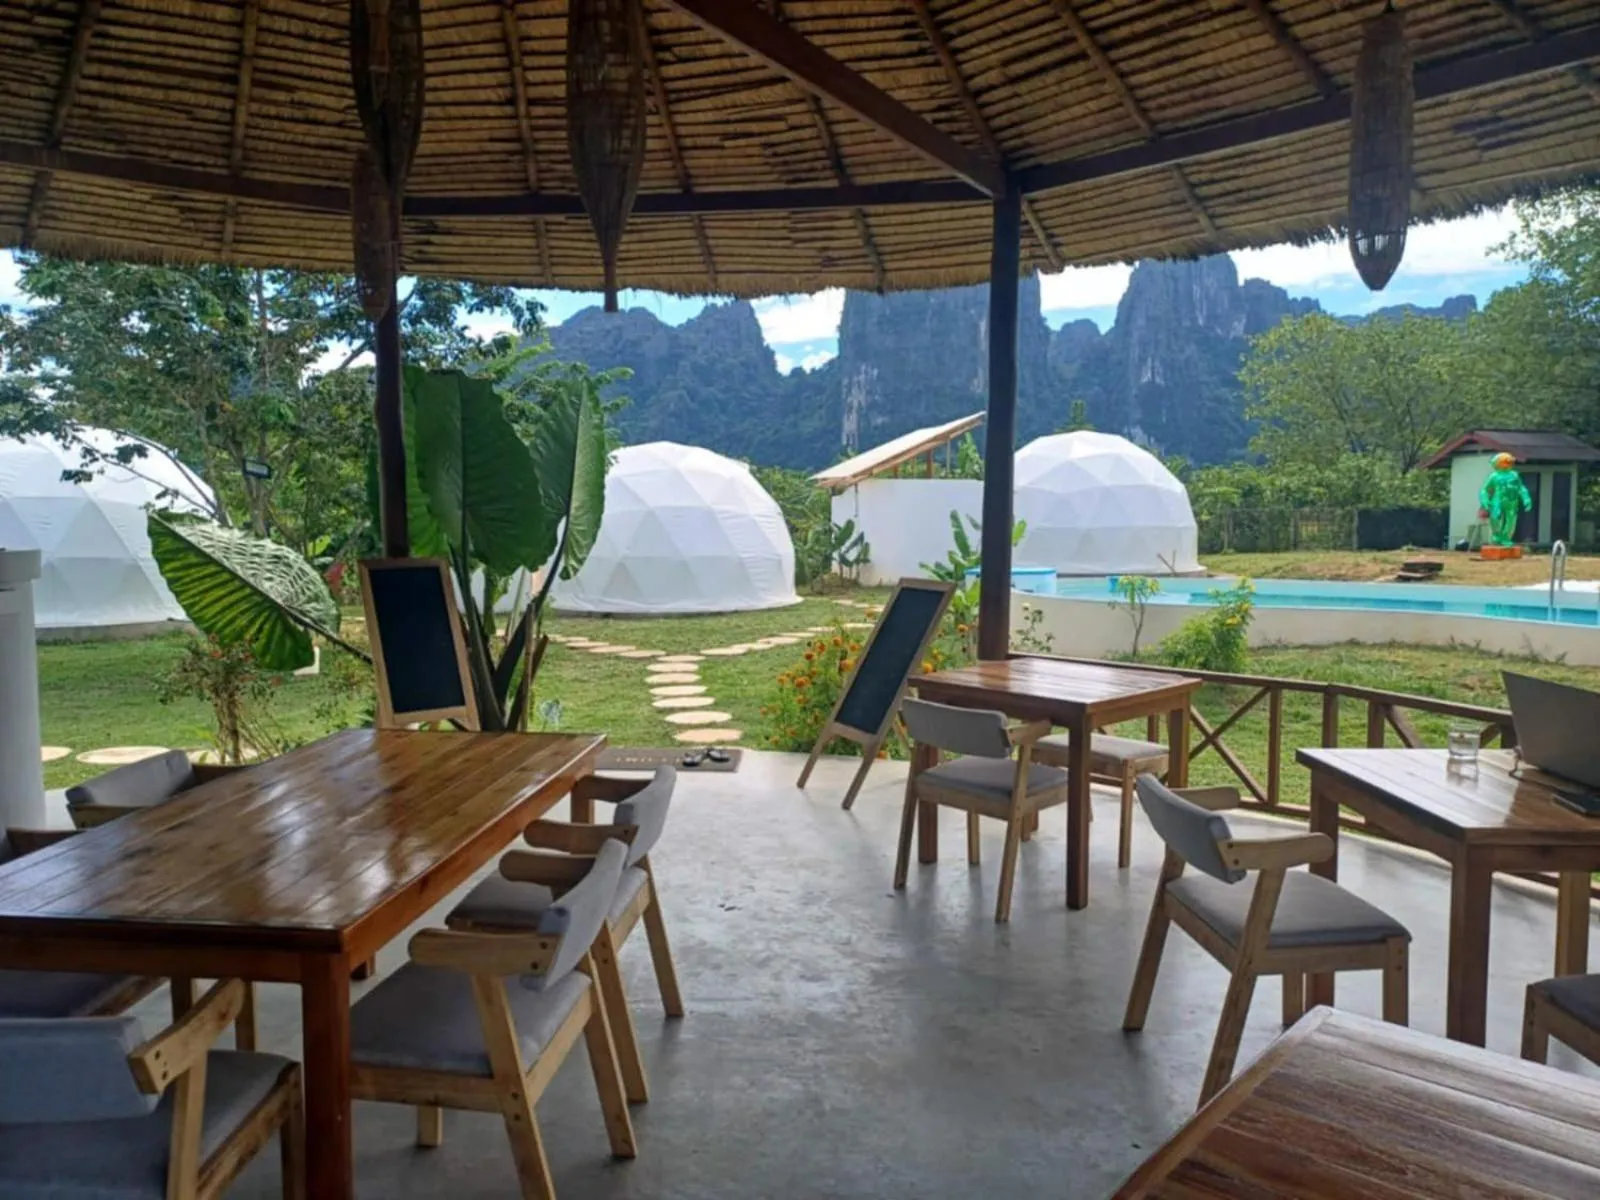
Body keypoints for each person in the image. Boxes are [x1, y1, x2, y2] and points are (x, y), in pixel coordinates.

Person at [1478, 452, 1532, 547]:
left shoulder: (1514, 475)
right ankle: (1497, 536)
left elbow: (1521, 488)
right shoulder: (1494, 476)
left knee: (1511, 520)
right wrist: (1484, 500)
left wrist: (1526, 498)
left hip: (1512, 502)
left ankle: (1506, 537)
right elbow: (1484, 489)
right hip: (1498, 501)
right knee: (1495, 518)